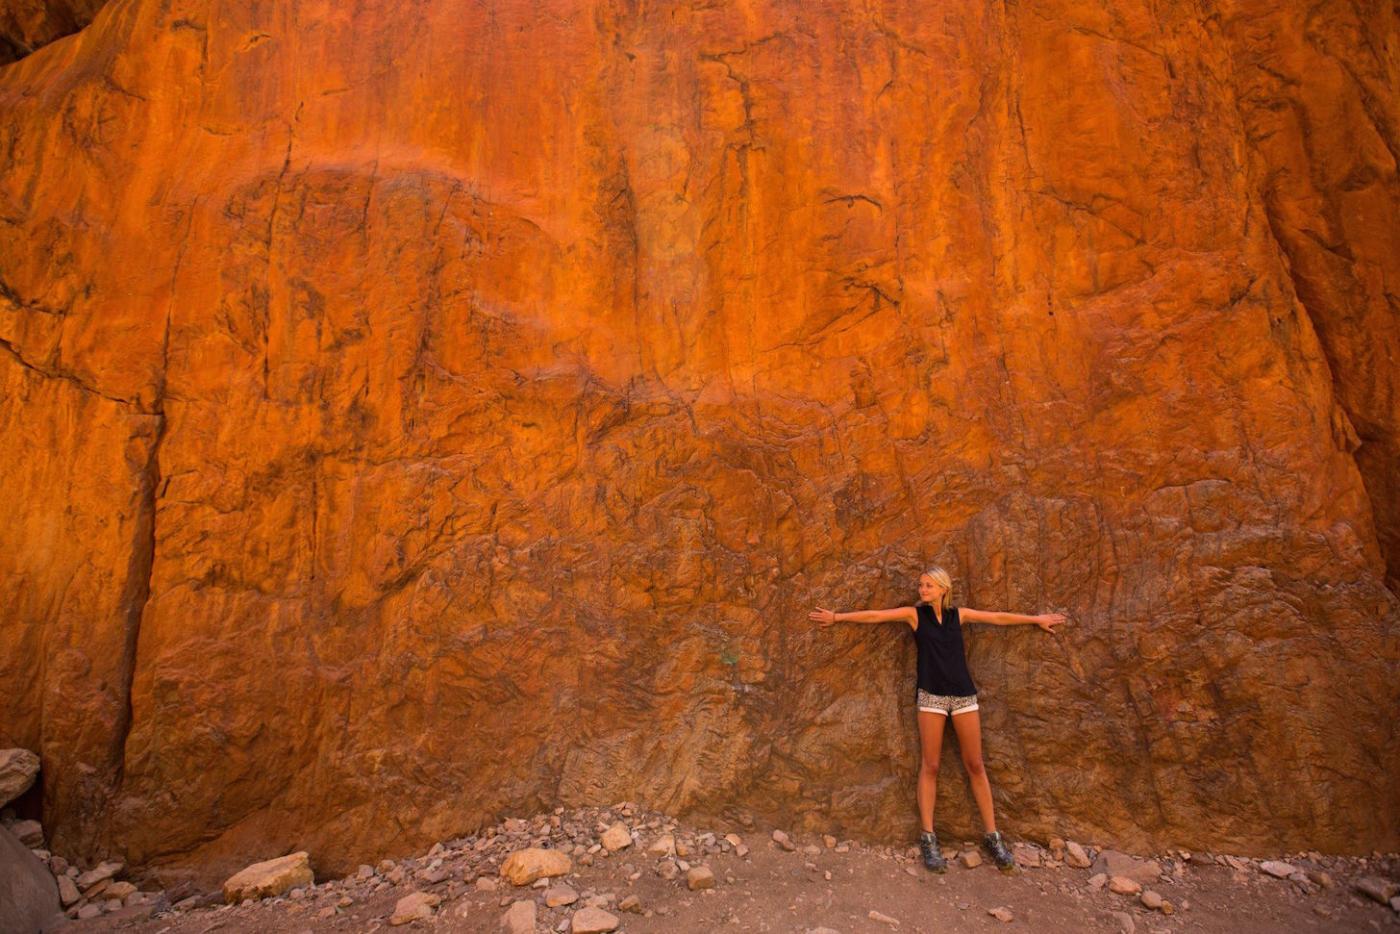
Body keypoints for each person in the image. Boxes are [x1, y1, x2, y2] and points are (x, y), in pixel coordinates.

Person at [808, 566, 1066, 873]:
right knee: (930, 765)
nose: (922, 590)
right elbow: (876, 616)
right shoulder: (915, 616)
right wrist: (837, 618)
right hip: (931, 697)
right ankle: (929, 839)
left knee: (976, 765)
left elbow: (998, 617)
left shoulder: (960, 615)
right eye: (921, 585)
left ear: (943, 589)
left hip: (964, 697)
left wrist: (1037, 620)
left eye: (928, 586)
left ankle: (992, 837)